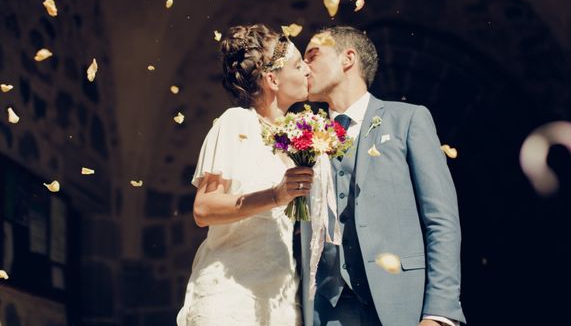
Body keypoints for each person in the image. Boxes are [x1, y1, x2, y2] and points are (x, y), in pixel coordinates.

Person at [300, 26, 466, 326]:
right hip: (327, 310)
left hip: (401, 304)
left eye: (312, 55)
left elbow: (441, 219)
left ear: (347, 59)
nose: (303, 66)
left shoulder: (408, 120)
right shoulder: (303, 138)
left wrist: (439, 313)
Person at [177, 24, 313, 326]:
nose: (308, 70)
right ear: (272, 79)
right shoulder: (236, 122)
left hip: (280, 303)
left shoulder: (292, 142)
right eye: (298, 64)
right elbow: (204, 209)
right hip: (232, 299)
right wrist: (275, 196)